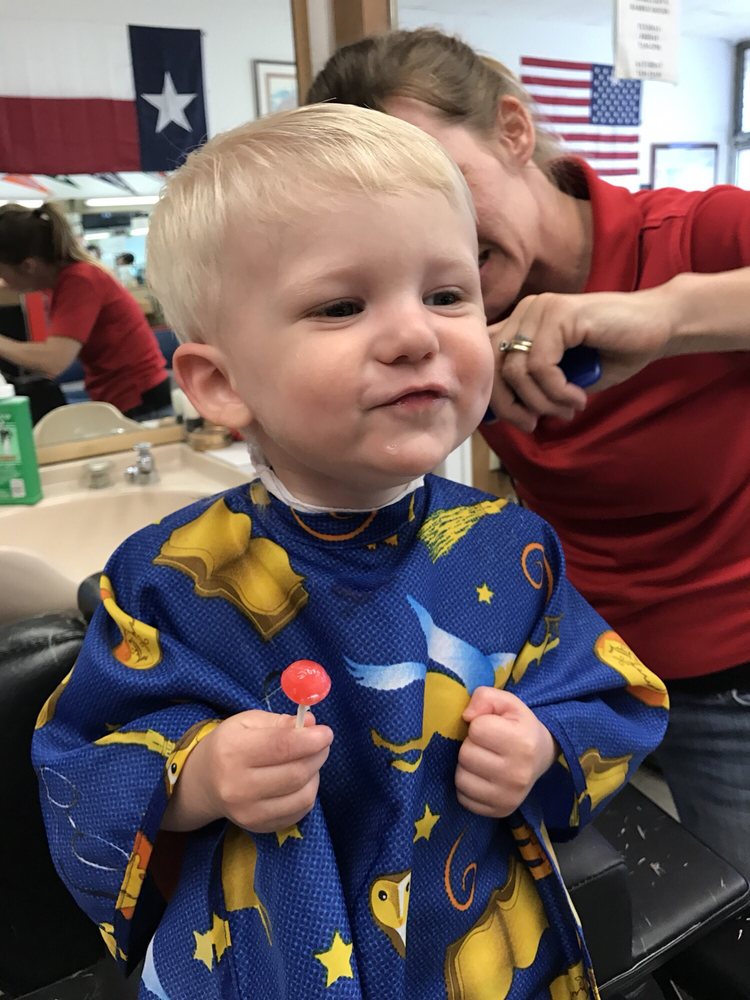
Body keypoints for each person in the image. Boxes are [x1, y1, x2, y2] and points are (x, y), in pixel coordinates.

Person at [31, 104, 667, 999]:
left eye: (447, 294)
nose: (416, 335)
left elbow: (611, 691)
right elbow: (82, 757)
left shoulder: (512, 547)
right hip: (272, 955)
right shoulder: (166, 576)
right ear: (221, 383)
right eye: (341, 305)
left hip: (471, 947)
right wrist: (199, 774)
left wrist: (541, 745)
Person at [307, 27, 750, 880]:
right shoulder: (449, 316)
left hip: (733, 681)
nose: (433, 228)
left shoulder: (701, 235)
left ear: (514, 131)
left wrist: (667, 315)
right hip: (571, 679)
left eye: (444, 183)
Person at [0, 204, 171, 420]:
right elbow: (8, 285)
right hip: (119, 395)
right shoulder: (60, 278)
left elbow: (54, 361)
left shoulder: (80, 281)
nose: (3, 280)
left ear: (28, 266)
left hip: (140, 399)